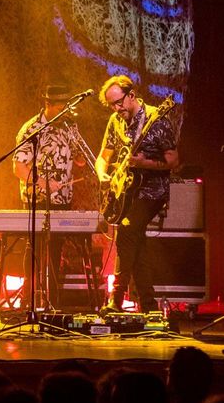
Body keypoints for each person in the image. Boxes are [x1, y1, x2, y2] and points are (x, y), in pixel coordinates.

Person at [95, 74, 179, 312]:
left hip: (153, 192)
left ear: (131, 95)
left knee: (128, 233)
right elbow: (104, 156)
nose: (116, 108)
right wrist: (103, 174)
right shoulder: (115, 121)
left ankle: (116, 299)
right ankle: (149, 304)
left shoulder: (157, 119)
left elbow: (173, 161)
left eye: (119, 102)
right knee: (137, 242)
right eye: (112, 104)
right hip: (128, 192)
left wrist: (145, 164)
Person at [10, 84, 97, 306]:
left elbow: (77, 157)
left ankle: (52, 300)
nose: (65, 111)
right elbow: (19, 169)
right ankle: (31, 299)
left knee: (56, 250)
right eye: (61, 107)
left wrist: (79, 160)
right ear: (48, 104)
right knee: (35, 250)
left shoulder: (69, 126)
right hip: (36, 199)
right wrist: (44, 182)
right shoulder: (32, 129)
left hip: (63, 199)